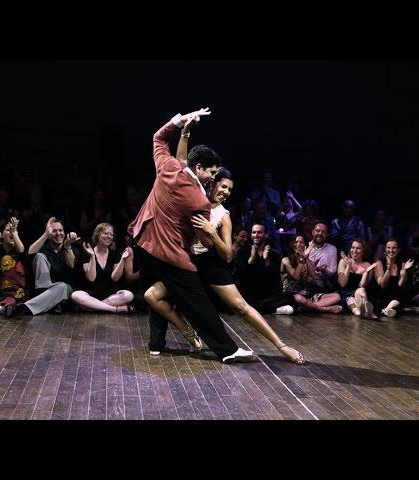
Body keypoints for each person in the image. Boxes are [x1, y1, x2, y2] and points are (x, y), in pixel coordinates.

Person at [146, 160, 304, 363]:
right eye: (223, 186)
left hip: (212, 264)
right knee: (152, 296)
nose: (227, 192)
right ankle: (188, 331)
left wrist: (212, 232)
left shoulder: (223, 215)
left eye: (230, 189)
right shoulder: (195, 199)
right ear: (212, 182)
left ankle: (282, 346)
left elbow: (228, 255)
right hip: (189, 264)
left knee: (241, 307)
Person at [132, 107, 257, 363]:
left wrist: (180, 123)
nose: (213, 178)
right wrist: (213, 235)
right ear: (199, 168)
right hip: (170, 253)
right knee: (198, 302)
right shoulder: (198, 200)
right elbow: (205, 240)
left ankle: (156, 344)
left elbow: (158, 138)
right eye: (211, 173)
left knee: (157, 292)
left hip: (143, 242)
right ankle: (228, 350)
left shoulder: (167, 166)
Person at [6, 217, 81, 317]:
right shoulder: (44, 249)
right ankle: (52, 304)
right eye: (54, 231)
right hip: (44, 291)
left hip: (65, 290)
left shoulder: (71, 248)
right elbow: (29, 254)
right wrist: (46, 234)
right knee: (39, 256)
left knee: (62, 286)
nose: (58, 233)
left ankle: (23, 308)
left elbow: (71, 265)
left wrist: (68, 247)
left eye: (60, 230)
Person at [71, 222, 135, 313]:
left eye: (111, 235)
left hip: (110, 294)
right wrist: (92, 257)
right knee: (75, 295)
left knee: (129, 295)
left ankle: (91, 307)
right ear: (97, 235)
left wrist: (122, 260)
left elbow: (115, 278)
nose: (109, 236)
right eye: (105, 233)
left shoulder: (114, 254)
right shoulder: (88, 253)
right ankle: (115, 309)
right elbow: (91, 278)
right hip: (91, 293)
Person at [280, 235, 343, 314]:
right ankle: (325, 309)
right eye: (296, 242)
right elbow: (296, 277)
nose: (299, 244)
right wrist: (301, 261)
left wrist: (306, 258)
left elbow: (312, 275)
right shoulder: (286, 260)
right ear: (292, 245)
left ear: (305, 245)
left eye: (301, 242)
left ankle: (305, 308)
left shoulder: (307, 260)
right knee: (300, 299)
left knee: (337, 296)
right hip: (291, 294)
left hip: (306, 295)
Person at [0, 217, 28, 314]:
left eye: (14, 230)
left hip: (18, 291)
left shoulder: (20, 248)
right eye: (8, 230)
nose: (12, 233)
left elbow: (22, 252)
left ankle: (11, 306)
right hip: (1, 289)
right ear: (2, 234)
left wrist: (14, 233)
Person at [337, 239, 378, 319]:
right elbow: (342, 284)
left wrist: (366, 273)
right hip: (345, 293)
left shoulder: (367, 265)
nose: (355, 251)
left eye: (358, 248)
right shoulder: (343, 262)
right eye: (353, 247)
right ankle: (366, 312)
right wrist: (348, 266)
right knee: (351, 300)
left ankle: (362, 311)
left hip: (360, 293)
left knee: (361, 290)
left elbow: (362, 286)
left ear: (363, 251)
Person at [372, 238, 414, 318]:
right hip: (383, 295)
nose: (391, 250)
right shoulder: (379, 263)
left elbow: (401, 284)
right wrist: (388, 269)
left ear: (398, 250)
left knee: (402, 293)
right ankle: (390, 309)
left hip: (397, 295)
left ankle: (387, 310)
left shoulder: (402, 263)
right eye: (388, 247)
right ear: (385, 249)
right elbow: (382, 285)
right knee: (398, 300)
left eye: (394, 248)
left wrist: (404, 270)